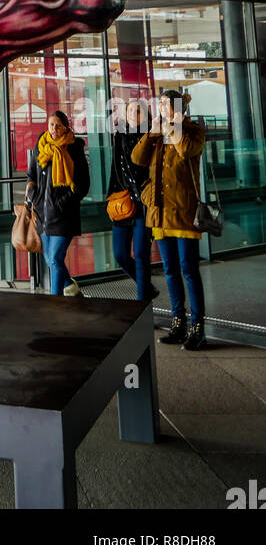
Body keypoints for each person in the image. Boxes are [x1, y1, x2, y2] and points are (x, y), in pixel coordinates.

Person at [131, 89, 207, 350]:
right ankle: (178, 322)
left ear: (177, 106)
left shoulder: (192, 130)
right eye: (159, 103)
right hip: (160, 214)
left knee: (188, 270)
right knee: (170, 270)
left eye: (165, 103)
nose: (161, 107)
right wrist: (152, 132)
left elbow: (187, 150)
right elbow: (137, 159)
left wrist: (173, 124)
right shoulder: (158, 132)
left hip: (184, 213)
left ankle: (197, 328)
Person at [26, 110, 90, 297]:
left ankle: (56, 301)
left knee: (54, 258)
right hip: (43, 214)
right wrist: (33, 196)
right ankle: (70, 285)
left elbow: (82, 185)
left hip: (64, 216)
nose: (54, 128)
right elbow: (31, 175)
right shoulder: (41, 146)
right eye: (51, 124)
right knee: (49, 258)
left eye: (58, 125)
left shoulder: (74, 148)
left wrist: (60, 204)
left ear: (66, 127)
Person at [108, 97, 158, 301]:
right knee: (120, 254)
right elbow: (115, 169)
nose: (132, 115)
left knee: (141, 255)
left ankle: (142, 304)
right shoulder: (120, 135)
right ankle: (145, 286)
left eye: (137, 111)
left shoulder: (152, 137)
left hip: (143, 202)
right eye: (129, 111)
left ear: (146, 116)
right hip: (122, 201)